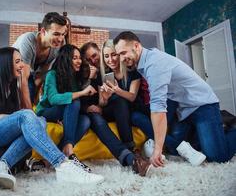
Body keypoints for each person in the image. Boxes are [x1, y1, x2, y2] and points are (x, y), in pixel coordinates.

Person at [0, 47, 104, 189]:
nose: (22, 65)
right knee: (30, 117)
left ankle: (0, 167)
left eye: (21, 61)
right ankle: (62, 165)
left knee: (40, 121)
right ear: (5, 65)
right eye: (17, 62)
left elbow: (30, 116)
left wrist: (23, 84)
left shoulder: (12, 89)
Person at [113, 31, 236, 167]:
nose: (121, 58)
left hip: (202, 105)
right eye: (119, 54)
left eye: (123, 52)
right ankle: (216, 130)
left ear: (136, 46)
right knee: (174, 148)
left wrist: (157, 150)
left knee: (218, 156)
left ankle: (229, 127)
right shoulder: (145, 60)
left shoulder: (154, 64)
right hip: (183, 109)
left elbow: (158, 108)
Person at [80, 41, 151, 177]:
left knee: (120, 101)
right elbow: (100, 103)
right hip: (101, 112)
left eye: (95, 56)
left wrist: (114, 93)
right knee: (99, 116)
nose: (93, 61)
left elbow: (131, 97)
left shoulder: (125, 71)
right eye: (89, 59)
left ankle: (131, 150)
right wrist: (103, 99)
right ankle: (131, 158)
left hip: (125, 109)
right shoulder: (98, 75)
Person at [36, 44, 97, 172]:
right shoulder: (52, 74)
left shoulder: (74, 77)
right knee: (74, 102)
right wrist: (81, 93)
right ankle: (69, 151)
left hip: (62, 112)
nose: (79, 61)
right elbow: (53, 99)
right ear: (66, 59)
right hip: (46, 112)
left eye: (79, 58)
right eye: (74, 58)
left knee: (86, 120)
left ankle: (51, 158)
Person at [13, 12, 67, 107]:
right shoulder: (28, 41)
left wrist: (35, 100)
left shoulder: (59, 45)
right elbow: (23, 79)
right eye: (56, 34)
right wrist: (29, 111)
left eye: (63, 34)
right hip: (11, 73)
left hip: (30, 73)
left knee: (32, 90)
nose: (60, 39)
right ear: (43, 31)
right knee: (25, 94)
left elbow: (41, 75)